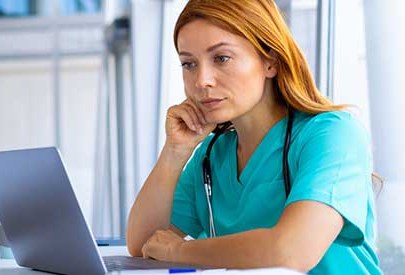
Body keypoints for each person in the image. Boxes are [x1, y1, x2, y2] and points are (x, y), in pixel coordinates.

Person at [125, 0, 382, 274]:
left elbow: (292, 251)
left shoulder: (334, 134)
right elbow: (144, 244)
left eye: (221, 58)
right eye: (189, 64)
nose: (202, 80)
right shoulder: (212, 154)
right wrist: (174, 151)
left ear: (269, 60)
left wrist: (179, 251)